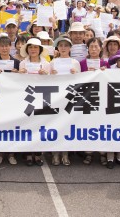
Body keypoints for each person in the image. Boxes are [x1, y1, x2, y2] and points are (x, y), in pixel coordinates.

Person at [18, 37, 50, 166]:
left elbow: (53, 82)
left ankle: (37, 154)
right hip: (27, 98)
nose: (33, 50)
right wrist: (20, 74)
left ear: (40, 49)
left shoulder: (47, 64)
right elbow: (19, 82)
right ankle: (27, 154)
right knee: (27, 125)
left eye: (35, 47)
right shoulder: (23, 63)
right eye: (30, 47)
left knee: (39, 126)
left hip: (42, 98)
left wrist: (46, 75)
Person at [50, 36, 80, 167]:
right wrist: (51, 75)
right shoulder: (53, 62)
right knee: (55, 125)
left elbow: (81, 81)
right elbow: (46, 81)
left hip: (70, 98)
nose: (63, 48)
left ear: (70, 48)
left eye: (66, 45)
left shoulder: (75, 62)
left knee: (67, 126)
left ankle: (65, 154)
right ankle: (55, 153)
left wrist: (76, 74)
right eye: (61, 45)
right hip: (56, 98)